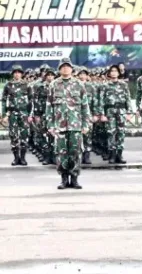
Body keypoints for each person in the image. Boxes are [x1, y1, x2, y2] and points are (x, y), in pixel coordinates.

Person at [45, 57, 90, 190]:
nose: (65, 68)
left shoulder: (79, 84)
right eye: (63, 67)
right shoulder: (53, 85)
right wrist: (50, 125)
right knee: (61, 153)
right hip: (59, 126)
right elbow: (49, 106)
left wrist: (86, 124)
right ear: (59, 69)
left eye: (67, 66)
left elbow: (85, 106)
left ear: (71, 69)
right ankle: (64, 179)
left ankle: (74, 178)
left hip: (75, 125)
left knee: (75, 152)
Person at [2, 65, 32, 166]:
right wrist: (4, 114)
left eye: (19, 72)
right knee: (13, 136)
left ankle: (23, 158)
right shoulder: (8, 85)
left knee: (24, 135)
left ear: (22, 74)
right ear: (12, 74)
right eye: (15, 72)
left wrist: (30, 114)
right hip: (12, 113)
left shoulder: (27, 85)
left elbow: (31, 100)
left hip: (24, 113)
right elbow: (3, 100)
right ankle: (16, 158)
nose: (17, 74)